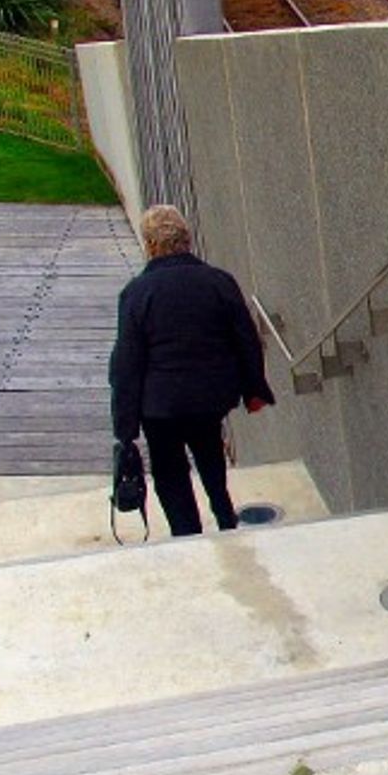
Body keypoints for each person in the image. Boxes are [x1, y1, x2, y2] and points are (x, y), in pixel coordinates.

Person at [109, 205, 274, 536]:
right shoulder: (218, 282)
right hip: (209, 397)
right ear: (187, 239)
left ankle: (187, 535)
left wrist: (125, 429)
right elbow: (246, 339)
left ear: (150, 245)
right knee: (210, 452)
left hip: (160, 407)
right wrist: (254, 389)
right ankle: (225, 517)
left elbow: (126, 365)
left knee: (170, 474)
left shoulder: (136, 294)